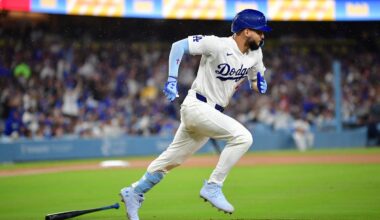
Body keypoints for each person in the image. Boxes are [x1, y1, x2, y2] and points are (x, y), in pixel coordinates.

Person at [119, 9, 271, 220]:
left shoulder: (255, 54)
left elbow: (256, 81)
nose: (263, 36)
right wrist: (172, 79)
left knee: (172, 159)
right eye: (260, 31)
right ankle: (213, 185)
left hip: (209, 114)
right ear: (246, 31)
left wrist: (258, 84)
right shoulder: (217, 44)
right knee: (243, 137)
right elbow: (178, 46)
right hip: (197, 106)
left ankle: (134, 192)